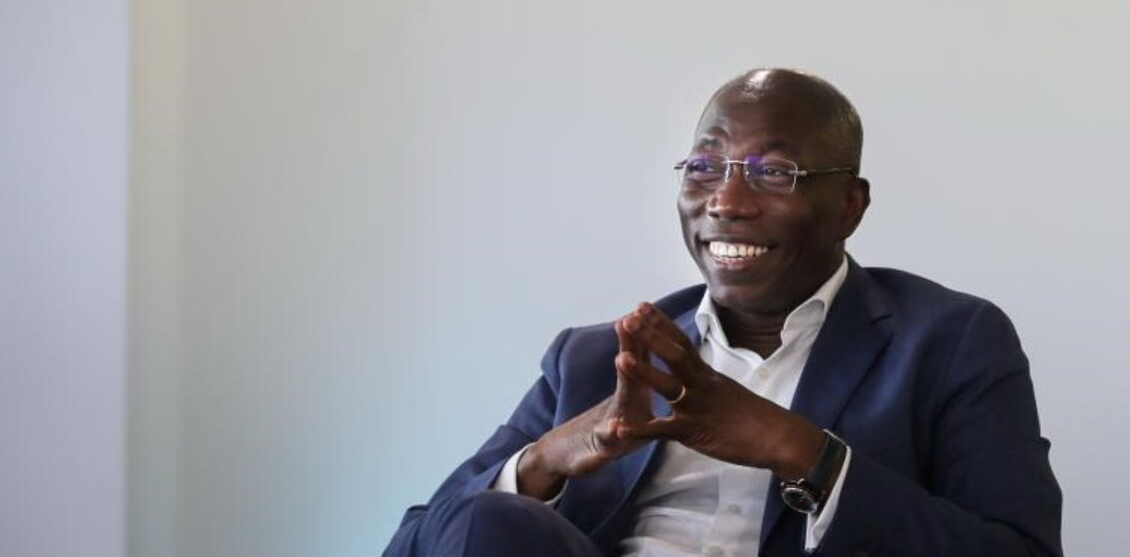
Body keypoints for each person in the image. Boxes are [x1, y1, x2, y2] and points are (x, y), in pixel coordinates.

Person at [383, 69, 1063, 556]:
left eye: (773, 173)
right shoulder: (594, 360)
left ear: (849, 207)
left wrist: (801, 451)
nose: (726, 202)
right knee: (492, 517)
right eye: (704, 168)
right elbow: (419, 541)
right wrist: (552, 457)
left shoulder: (948, 340)